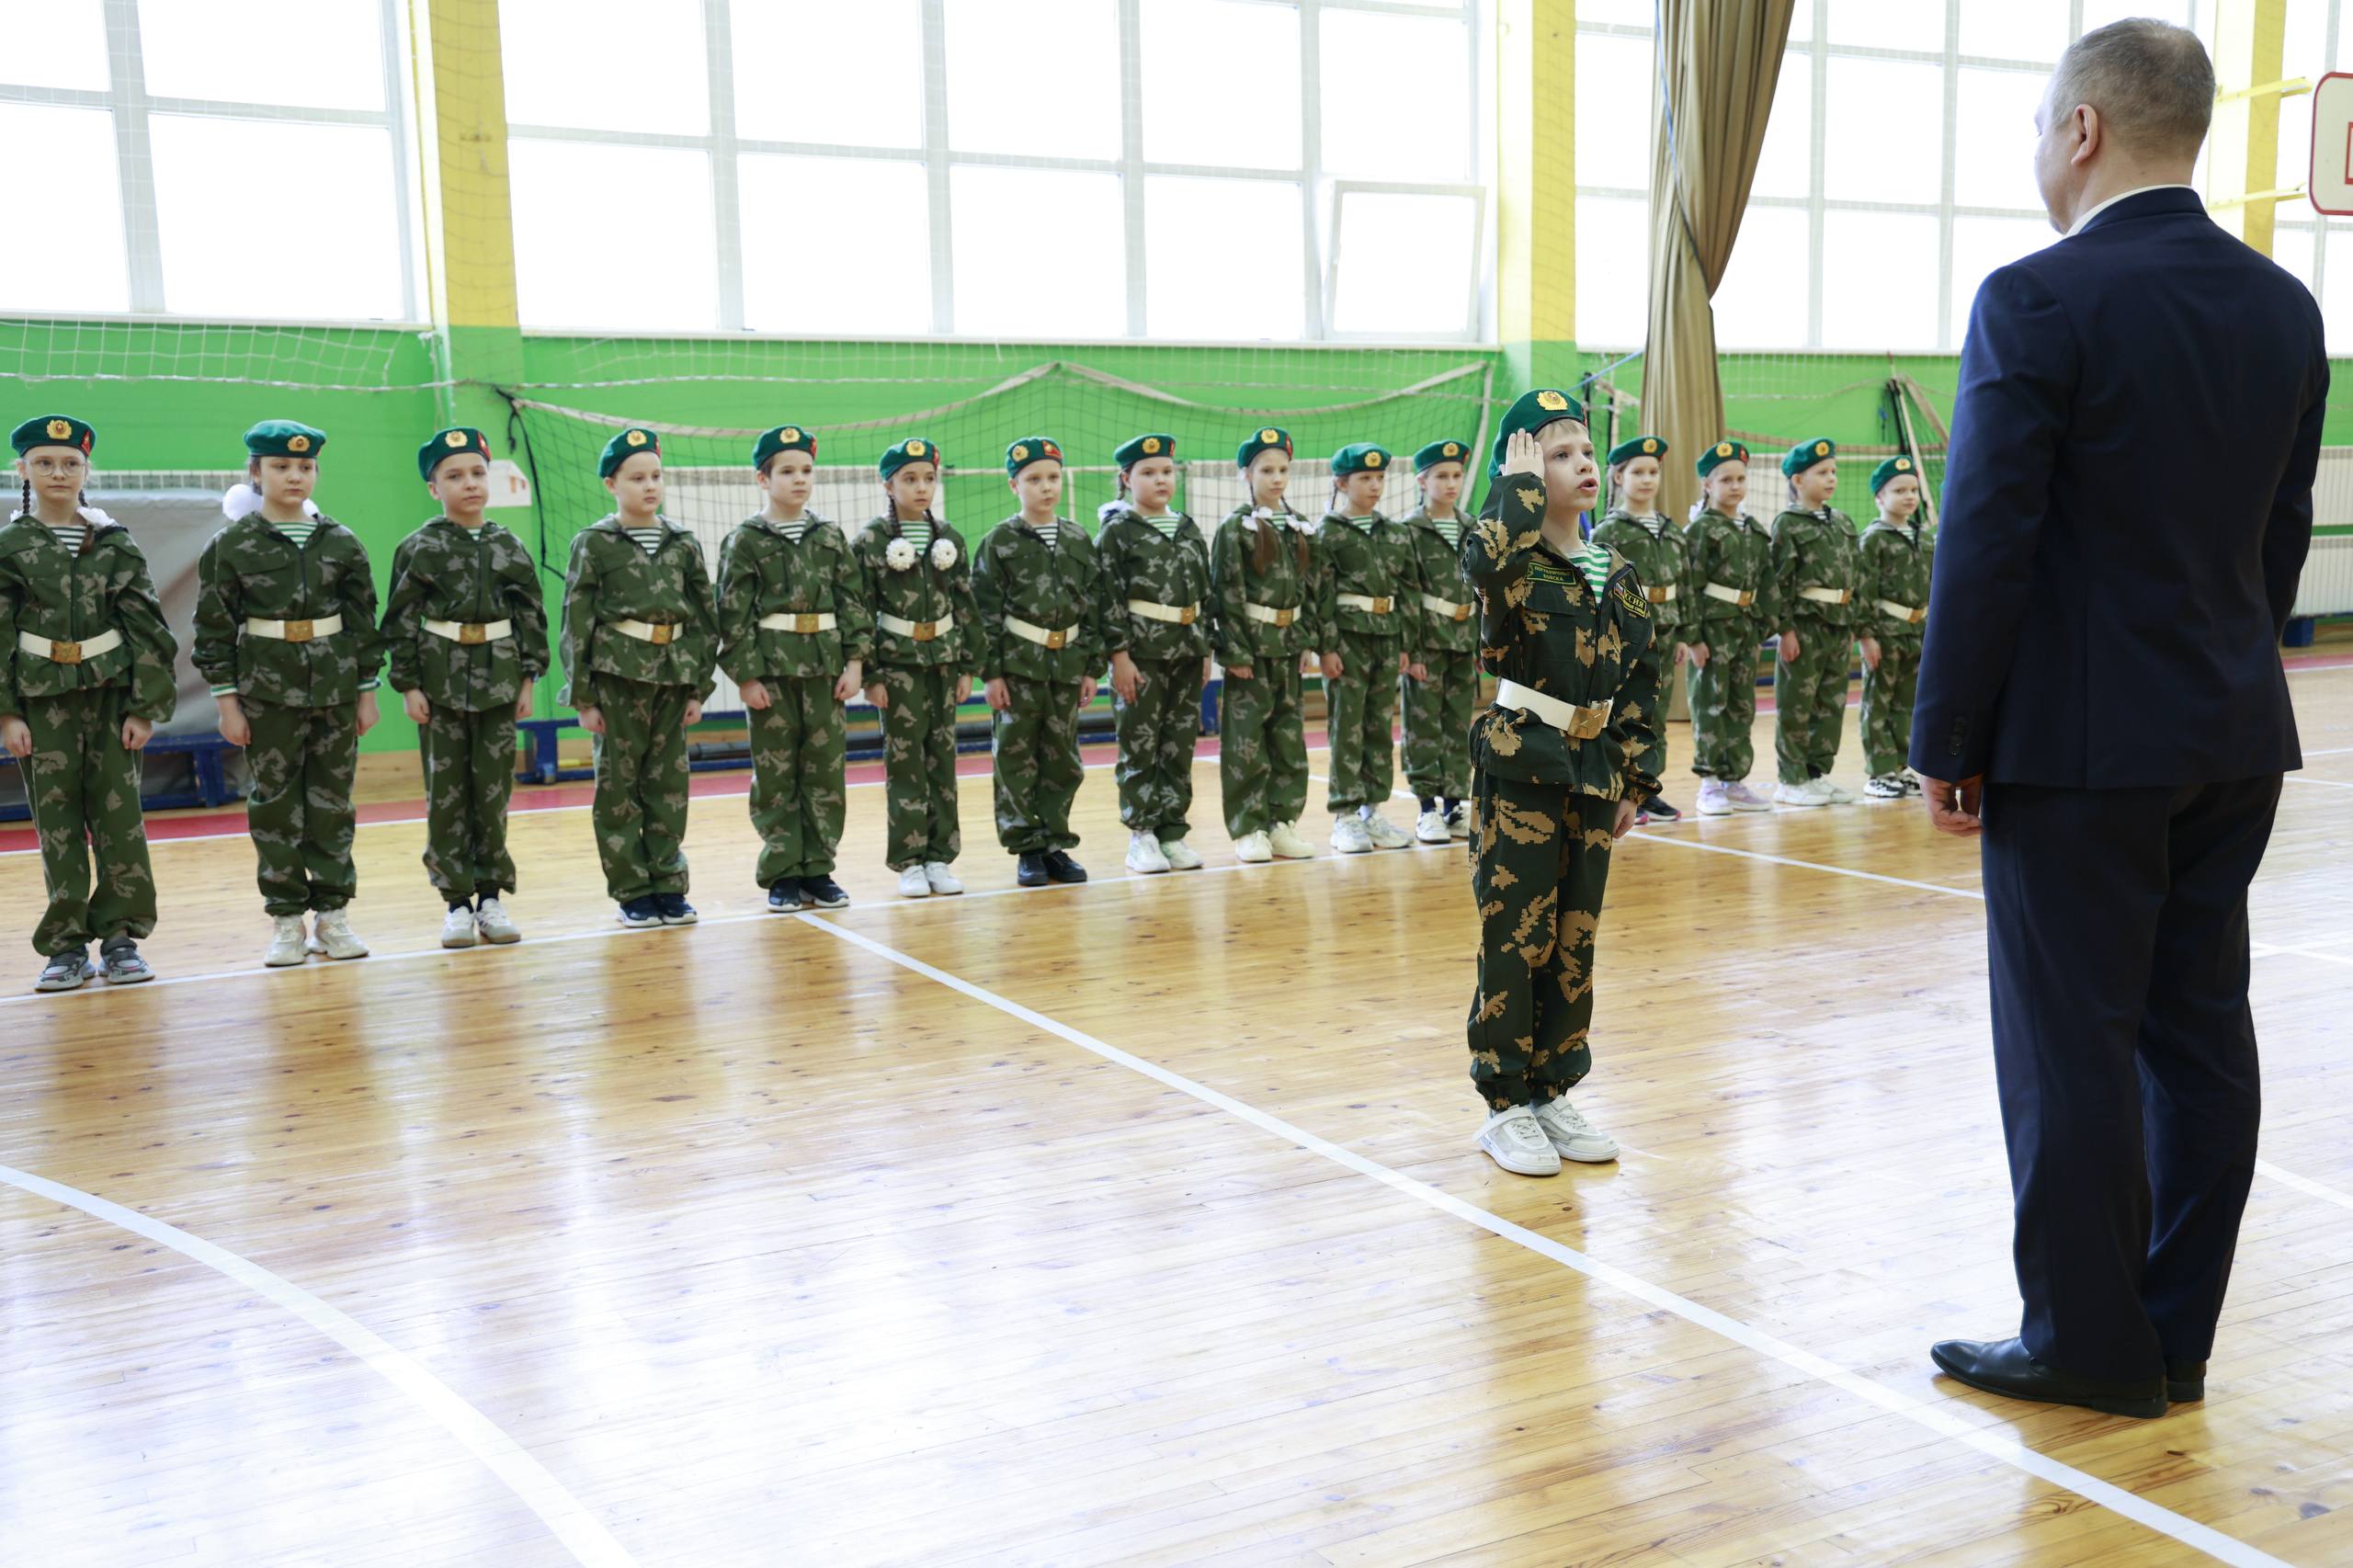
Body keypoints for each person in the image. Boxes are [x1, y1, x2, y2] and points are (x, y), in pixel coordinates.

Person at [1913, 19, 2323, 1420]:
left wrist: (1946, 736)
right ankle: (2173, 1331)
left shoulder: (2036, 298)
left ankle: (2088, 1342)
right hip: (2230, 731)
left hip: (2078, 752)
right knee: (2199, 1033)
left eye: (2041, 127)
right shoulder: (2286, 309)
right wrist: (2223, 662)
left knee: (2068, 1044)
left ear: (2081, 128)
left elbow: (1986, 541)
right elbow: (2280, 535)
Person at [1461, 390, 1664, 1177]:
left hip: (1594, 770)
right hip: (1523, 764)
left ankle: (1552, 1091)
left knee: (1575, 938)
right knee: (1517, 936)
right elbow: (1483, 562)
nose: (1581, 464)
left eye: (1585, 451)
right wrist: (1513, 492)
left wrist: (1637, 776)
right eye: (1557, 454)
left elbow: (1642, 674)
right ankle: (1505, 1105)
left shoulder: (1618, 570)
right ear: (1521, 470)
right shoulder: (1511, 563)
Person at [194, 420, 385, 968]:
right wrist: (227, 704)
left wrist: (366, 692)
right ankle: (285, 920)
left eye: (305, 466)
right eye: (280, 466)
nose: (294, 475)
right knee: (275, 806)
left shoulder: (341, 542)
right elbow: (213, 629)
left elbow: (362, 623)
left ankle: (332, 916)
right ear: (256, 473)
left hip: (334, 690)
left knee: (332, 804)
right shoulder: (232, 544)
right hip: (266, 693)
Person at [0, 415, 176, 990]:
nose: (58, 472)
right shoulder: (10, 547)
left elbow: (148, 627)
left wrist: (145, 706)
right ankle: (66, 946)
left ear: (86, 470)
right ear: (22, 470)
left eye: (70, 463)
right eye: (44, 462)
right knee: (57, 826)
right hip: (40, 703)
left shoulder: (115, 543)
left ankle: (121, 938)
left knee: (120, 820)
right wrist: (7, 713)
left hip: (110, 700)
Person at [381, 426, 547, 948]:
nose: (470, 483)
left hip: (500, 683)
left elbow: (531, 616)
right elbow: (400, 621)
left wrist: (528, 679)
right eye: (454, 476)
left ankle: (491, 896)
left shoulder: (509, 546)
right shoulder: (419, 547)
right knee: (447, 796)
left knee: (492, 794)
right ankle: (455, 902)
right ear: (435, 488)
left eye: (478, 473)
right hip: (440, 685)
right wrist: (408, 685)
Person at [558, 426, 720, 930]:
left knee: (668, 785)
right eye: (636, 478)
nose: (650, 486)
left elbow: (704, 617)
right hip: (617, 678)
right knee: (619, 789)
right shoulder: (595, 543)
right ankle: (632, 891)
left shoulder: (682, 543)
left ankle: (669, 885)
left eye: (656, 476)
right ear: (612, 484)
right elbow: (576, 621)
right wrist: (584, 697)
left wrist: (698, 687)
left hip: (672, 679)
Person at [716, 424, 870, 913]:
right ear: (763, 479)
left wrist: (855, 663)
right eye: (787, 471)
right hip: (773, 671)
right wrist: (746, 677)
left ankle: (819, 869)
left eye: (806, 470)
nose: (799, 479)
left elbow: (852, 602)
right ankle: (783, 871)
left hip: (826, 669)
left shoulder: (829, 535)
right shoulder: (745, 540)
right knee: (776, 774)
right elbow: (733, 614)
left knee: (826, 771)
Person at [972, 437, 1103, 888]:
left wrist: (1092, 668)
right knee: (1016, 756)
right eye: (1033, 479)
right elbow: (984, 612)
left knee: (1062, 758)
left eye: (1053, 477)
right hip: (1018, 668)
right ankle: (1027, 847)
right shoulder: (1000, 541)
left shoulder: (1078, 538)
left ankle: (1055, 843)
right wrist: (991, 673)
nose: (1046, 487)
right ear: (1014, 485)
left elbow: (1094, 607)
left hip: (1066, 666)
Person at [854, 437, 979, 899]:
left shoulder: (949, 538)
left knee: (942, 760)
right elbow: (859, 609)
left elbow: (966, 606)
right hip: (898, 666)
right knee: (905, 763)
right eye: (909, 479)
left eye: (928, 478)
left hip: (943, 663)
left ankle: (939, 857)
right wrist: (870, 674)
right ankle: (909, 860)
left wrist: (967, 666)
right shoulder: (871, 540)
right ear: (888, 485)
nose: (921, 487)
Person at [1097, 433, 1211, 875]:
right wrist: (1119, 657)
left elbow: (1204, 591)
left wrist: (1205, 648)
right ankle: (1141, 834)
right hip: (1142, 654)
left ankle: (1172, 832)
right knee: (1140, 744)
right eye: (1148, 472)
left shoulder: (1187, 527)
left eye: (1167, 471)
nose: (1161, 479)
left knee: (1179, 745)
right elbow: (1107, 597)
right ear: (1127, 479)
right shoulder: (1118, 531)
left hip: (1188, 650)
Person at [1209, 427, 1317, 863]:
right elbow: (1226, 593)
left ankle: (1281, 822)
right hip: (1252, 649)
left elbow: (1309, 588)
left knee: (1288, 739)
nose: (1276, 478)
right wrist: (1235, 651)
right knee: (1247, 742)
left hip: (1288, 647)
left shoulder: (1297, 526)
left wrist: (1306, 640)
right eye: (1266, 470)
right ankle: (1248, 827)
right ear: (1246, 475)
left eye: (1283, 470)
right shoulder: (1236, 528)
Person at [1313, 442, 1419, 854]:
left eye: (1379, 478)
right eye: (1365, 478)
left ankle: (1372, 811)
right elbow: (1320, 594)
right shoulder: (1328, 532)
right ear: (1342, 483)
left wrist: (1405, 643)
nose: (1375, 486)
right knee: (1347, 726)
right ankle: (1345, 815)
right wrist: (1326, 647)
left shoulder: (1394, 532)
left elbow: (1406, 590)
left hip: (1386, 637)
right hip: (1347, 638)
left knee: (1378, 726)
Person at [1591, 435, 1688, 824]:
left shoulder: (1671, 529)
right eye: (1638, 472)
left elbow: (1686, 583)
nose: (1647, 479)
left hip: (1666, 631)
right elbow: (1598, 590)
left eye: (1653, 472)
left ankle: (1647, 789)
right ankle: (1619, 789)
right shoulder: (1609, 531)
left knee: (1657, 715)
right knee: (1624, 713)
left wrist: (1685, 633)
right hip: (1628, 634)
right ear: (1618, 477)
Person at [1682, 441, 1775, 815]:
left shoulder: (1753, 529)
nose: (1735, 486)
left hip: (1745, 629)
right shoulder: (1701, 529)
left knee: (1741, 705)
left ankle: (1733, 780)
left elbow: (1767, 583)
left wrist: (1762, 629)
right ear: (1707, 485)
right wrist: (1693, 637)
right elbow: (1688, 585)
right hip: (1713, 629)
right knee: (1710, 702)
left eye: (1740, 479)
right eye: (1725, 480)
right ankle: (1708, 783)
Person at [1769, 437, 1861, 808]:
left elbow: (1856, 575)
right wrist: (1785, 630)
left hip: (1839, 624)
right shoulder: (1788, 523)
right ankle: (1790, 779)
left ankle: (1815, 773)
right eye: (1822, 472)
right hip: (1805, 626)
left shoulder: (1842, 522)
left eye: (1833, 471)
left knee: (1831, 703)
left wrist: (1854, 623)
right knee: (1796, 704)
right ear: (1797, 480)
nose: (1831, 478)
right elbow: (1779, 582)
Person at [1397, 437, 1482, 844]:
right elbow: (1406, 594)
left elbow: (1482, 588)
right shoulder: (1410, 530)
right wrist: (1411, 650)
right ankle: (1426, 807)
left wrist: (1483, 643)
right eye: (1441, 476)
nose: (1451, 484)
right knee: (1422, 724)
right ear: (1422, 481)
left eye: (1457, 476)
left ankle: (1453, 803)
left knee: (1458, 723)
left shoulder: (1472, 527)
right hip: (1427, 640)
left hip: (1463, 639)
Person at [1857, 455, 1933, 801]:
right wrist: (1866, 635)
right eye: (1899, 490)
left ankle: (1901, 765)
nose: (1908, 496)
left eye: (1913, 490)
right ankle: (1879, 771)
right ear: (1879, 497)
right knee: (1878, 702)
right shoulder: (1873, 539)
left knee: (1907, 703)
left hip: (1917, 632)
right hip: (1885, 632)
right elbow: (1864, 590)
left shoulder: (1924, 538)